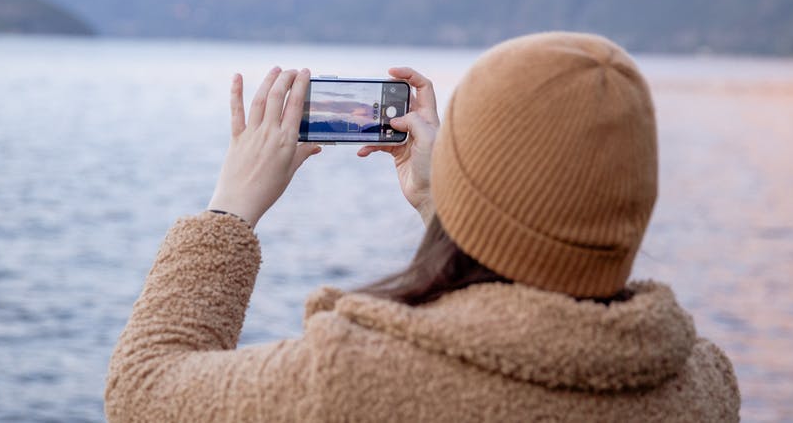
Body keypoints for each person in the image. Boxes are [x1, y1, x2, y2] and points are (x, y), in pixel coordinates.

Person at [104, 32, 740, 422]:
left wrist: (229, 210)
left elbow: (142, 393)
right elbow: (539, 283)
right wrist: (448, 208)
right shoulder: (703, 387)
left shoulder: (356, 381)